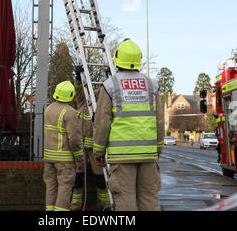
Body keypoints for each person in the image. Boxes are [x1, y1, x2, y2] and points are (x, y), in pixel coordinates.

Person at [93, 39, 164, 211]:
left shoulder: (110, 86)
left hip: (122, 156)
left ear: (118, 59)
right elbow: (160, 121)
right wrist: (158, 149)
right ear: (139, 59)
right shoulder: (152, 85)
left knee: (125, 200)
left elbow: (102, 122)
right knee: (149, 198)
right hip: (148, 154)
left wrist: (98, 151)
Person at [70, 66, 111, 211]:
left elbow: (108, 91)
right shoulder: (82, 103)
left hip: (95, 150)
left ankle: (106, 206)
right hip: (81, 150)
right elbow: (79, 92)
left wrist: (109, 78)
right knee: (78, 179)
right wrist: (78, 79)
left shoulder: (100, 106)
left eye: (97, 91)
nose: (94, 92)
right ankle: (75, 207)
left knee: (100, 179)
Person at [43, 80, 84, 211]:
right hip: (64, 160)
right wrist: (80, 158)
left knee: (51, 186)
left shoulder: (48, 109)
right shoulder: (70, 112)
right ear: (70, 95)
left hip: (48, 158)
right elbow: (74, 139)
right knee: (64, 187)